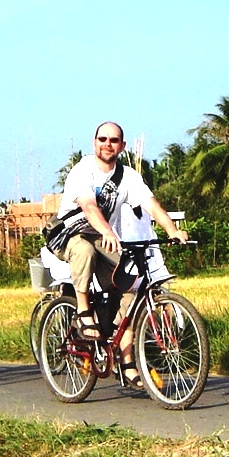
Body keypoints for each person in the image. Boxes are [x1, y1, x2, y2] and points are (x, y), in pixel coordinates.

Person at [53, 121, 188, 386]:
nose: (107, 144)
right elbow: (90, 207)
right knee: (84, 250)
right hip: (69, 235)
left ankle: (126, 361)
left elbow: (151, 205)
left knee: (129, 288)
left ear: (122, 146)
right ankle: (83, 310)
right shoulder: (82, 171)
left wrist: (172, 230)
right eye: (102, 139)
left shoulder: (129, 177)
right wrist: (108, 232)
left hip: (106, 239)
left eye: (114, 140)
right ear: (94, 143)